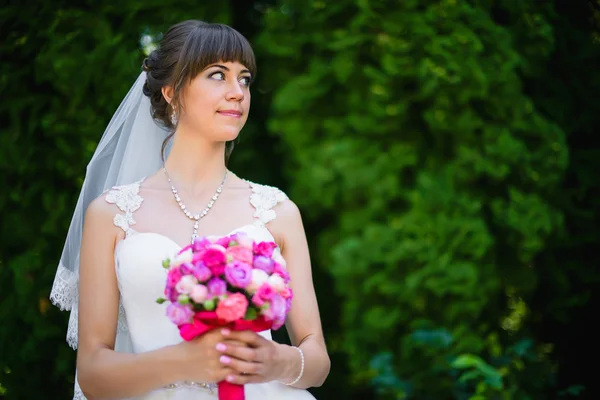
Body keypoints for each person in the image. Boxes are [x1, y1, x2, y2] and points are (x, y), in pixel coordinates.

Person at [50, 20, 330, 399]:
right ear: (171, 91)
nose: (237, 93)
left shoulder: (277, 211)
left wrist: (278, 360)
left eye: (244, 79)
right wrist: (185, 361)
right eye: (218, 75)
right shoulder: (111, 214)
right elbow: (93, 372)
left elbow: (316, 357)